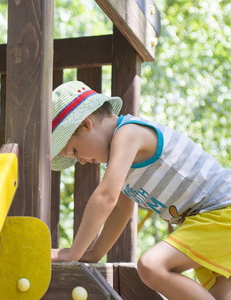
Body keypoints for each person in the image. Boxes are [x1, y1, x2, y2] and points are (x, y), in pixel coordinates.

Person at [50, 81, 231, 299]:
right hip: (207, 222)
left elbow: (107, 197)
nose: (80, 161)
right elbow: (121, 209)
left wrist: (72, 253)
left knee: (151, 266)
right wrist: (95, 253)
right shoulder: (124, 159)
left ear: (86, 125)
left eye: (75, 150)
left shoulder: (129, 133)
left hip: (221, 213)